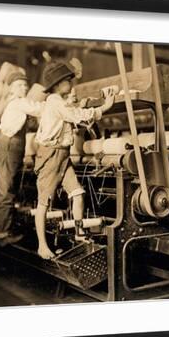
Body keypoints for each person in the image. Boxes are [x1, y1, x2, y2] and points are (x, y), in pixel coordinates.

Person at [33, 61, 115, 259]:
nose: (71, 82)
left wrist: (83, 104)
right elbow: (76, 115)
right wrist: (104, 108)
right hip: (51, 155)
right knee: (44, 203)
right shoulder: (55, 102)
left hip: (63, 155)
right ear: (58, 84)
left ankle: (79, 233)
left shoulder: (58, 102)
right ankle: (42, 246)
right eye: (68, 80)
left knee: (78, 193)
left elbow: (72, 110)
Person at [0, 71, 45, 245]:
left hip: (10, 146)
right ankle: (2, 233)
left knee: (6, 189)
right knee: (7, 190)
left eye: (25, 85)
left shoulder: (13, 103)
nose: (25, 87)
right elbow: (39, 109)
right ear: (13, 88)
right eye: (20, 85)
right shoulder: (19, 102)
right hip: (10, 146)